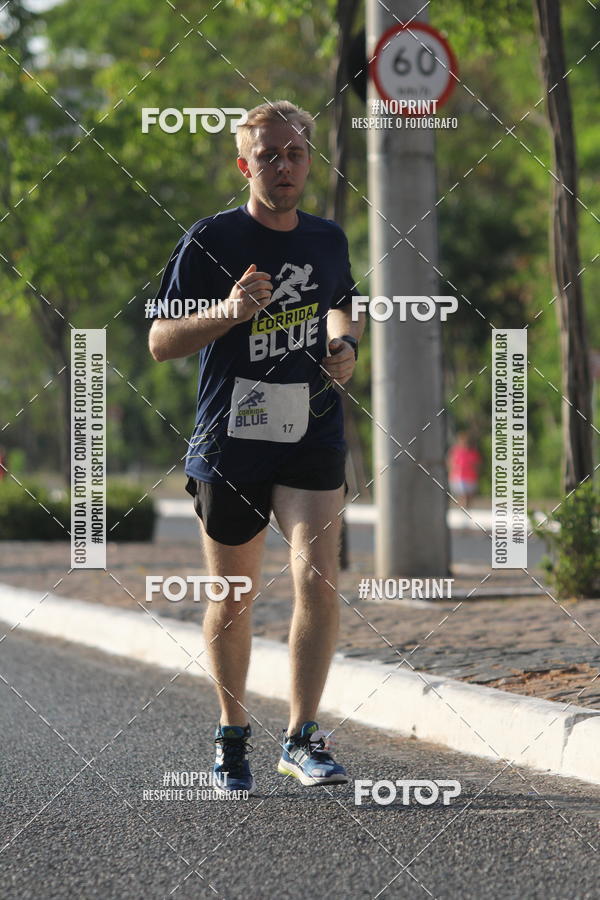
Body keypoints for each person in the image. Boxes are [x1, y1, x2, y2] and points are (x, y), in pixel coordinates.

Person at [149, 100, 365, 795]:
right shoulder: (211, 239)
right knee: (234, 596)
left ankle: (301, 737)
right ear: (245, 166)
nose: (283, 166)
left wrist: (344, 344)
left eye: (295, 153)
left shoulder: (327, 238)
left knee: (317, 579)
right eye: (268, 155)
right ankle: (232, 734)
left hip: (311, 431)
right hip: (230, 442)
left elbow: (344, 301)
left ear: (310, 161)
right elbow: (160, 342)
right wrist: (230, 311)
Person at [447, 431, 482, 510]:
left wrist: (475, 470)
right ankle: (463, 508)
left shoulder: (473, 452)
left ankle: (466, 508)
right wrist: (452, 470)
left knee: (469, 495)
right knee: (462, 495)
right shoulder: (455, 451)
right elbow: (451, 463)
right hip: (458, 477)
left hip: (470, 477)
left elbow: (477, 465)